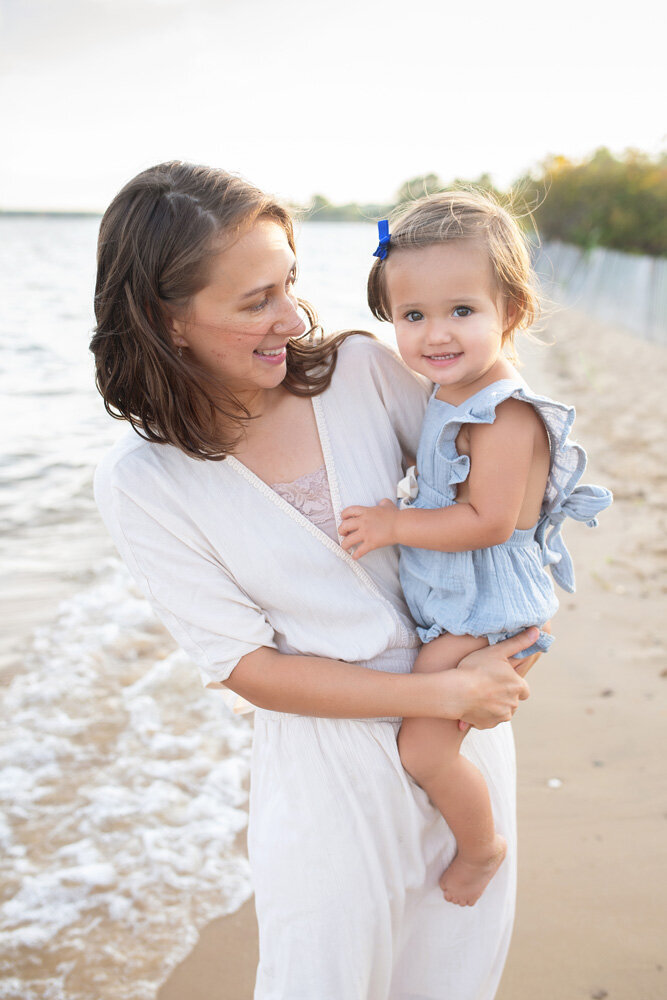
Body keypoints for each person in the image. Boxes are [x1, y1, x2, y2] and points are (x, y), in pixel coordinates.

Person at [91, 161, 542, 1000]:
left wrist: (504, 660)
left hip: (466, 741)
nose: (293, 316)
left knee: (451, 981)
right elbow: (246, 670)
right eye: (255, 299)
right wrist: (436, 700)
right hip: (329, 773)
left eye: (288, 282)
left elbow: (508, 507)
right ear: (168, 319)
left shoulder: (362, 372)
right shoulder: (141, 482)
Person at [339, 191, 612, 909]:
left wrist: (393, 525)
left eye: (462, 311)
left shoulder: (502, 411)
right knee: (425, 733)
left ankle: (480, 845)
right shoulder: (451, 390)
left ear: (510, 311)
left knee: (421, 749)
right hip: (458, 598)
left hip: (483, 606)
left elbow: (488, 520)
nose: (436, 334)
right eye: (413, 315)